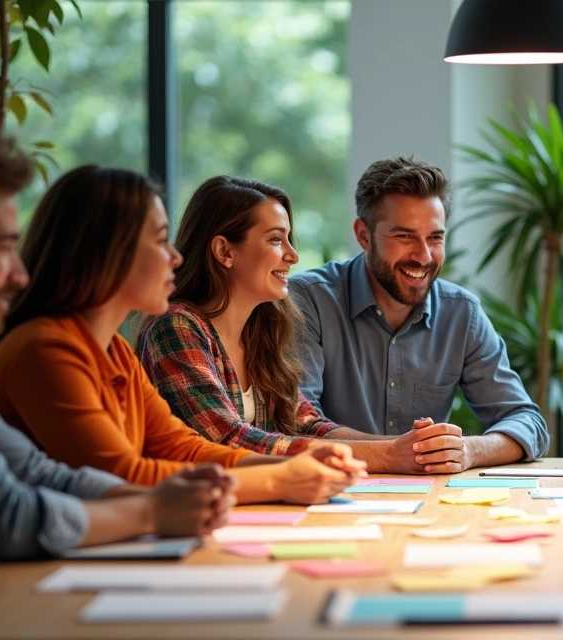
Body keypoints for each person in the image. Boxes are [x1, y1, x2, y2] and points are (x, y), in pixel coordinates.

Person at [0, 121, 233, 637]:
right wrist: (151, 512)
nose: (18, 273)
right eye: (3, 248)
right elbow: (4, 515)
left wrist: (166, 500)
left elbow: (36, 470)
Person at [0, 164, 365, 503]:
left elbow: (179, 446)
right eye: (160, 241)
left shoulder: (113, 351)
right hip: (20, 579)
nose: (175, 257)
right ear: (106, 252)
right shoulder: (46, 349)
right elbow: (121, 476)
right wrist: (280, 476)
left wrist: (298, 463)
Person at [139, 176, 455, 473]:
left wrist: (410, 448)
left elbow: (306, 423)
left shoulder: (260, 329)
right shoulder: (177, 327)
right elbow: (226, 439)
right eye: (276, 240)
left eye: (289, 239)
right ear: (224, 251)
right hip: (195, 518)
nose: (293, 255)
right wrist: (389, 455)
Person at [290, 156, 548, 472]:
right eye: (405, 236)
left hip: (429, 503)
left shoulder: (461, 313)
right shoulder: (309, 301)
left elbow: (527, 422)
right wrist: (396, 453)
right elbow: (297, 424)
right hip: (330, 495)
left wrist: (467, 450)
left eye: (435, 238)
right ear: (364, 235)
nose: (423, 256)